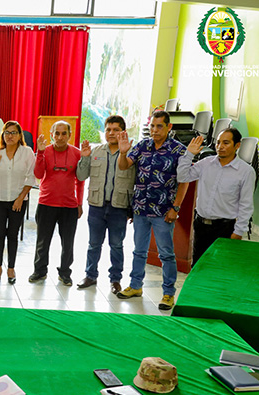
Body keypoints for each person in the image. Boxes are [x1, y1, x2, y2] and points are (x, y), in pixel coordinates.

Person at [117, 110, 188, 310]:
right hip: (140, 208)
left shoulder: (178, 150)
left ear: (169, 127)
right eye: (152, 126)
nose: (154, 130)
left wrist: (176, 207)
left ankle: (168, 293)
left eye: (159, 126)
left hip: (164, 211)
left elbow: (184, 182)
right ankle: (135, 286)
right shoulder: (143, 145)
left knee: (166, 253)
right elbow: (124, 166)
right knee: (139, 251)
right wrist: (123, 152)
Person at [75, 115, 135, 294]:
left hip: (119, 206)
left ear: (123, 132)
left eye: (116, 130)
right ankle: (90, 275)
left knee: (116, 245)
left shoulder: (131, 154)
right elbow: (80, 176)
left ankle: (115, 280)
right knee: (94, 243)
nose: (111, 133)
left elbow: (136, 181)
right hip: (96, 205)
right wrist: (84, 157)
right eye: (108, 129)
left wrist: (132, 208)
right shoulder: (96, 152)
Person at [177, 128, 255, 263]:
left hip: (225, 228)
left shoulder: (246, 172)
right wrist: (189, 154)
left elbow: (246, 205)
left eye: (226, 143)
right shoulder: (206, 163)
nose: (220, 147)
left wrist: (238, 232)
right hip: (201, 225)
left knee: (219, 269)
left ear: (237, 145)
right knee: (198, 266)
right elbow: (183, 176)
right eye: (218, 143)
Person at [28, 121, 84, 286]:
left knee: (68, 242)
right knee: (42, 241)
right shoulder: (44, 152)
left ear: (69, 135)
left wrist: (79, 203)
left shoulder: (77, 153)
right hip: (46, 203)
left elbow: (80, 181)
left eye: (64, 133)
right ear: (52, 134)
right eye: (57, 133)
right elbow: (38, 174)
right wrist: (39, 152)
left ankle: (65, 273)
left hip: (69, 206)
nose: (60, 137)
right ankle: (39, 271)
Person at [0, 120, 34, 284]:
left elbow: (31, 177)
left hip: (18, 200)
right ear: (2, 135)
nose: (10, 136)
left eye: (14, 132)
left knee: (13, 235)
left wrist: (20, 198)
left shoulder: (27, 152)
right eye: (7, 133)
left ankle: (11, 268)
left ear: (20, 135)